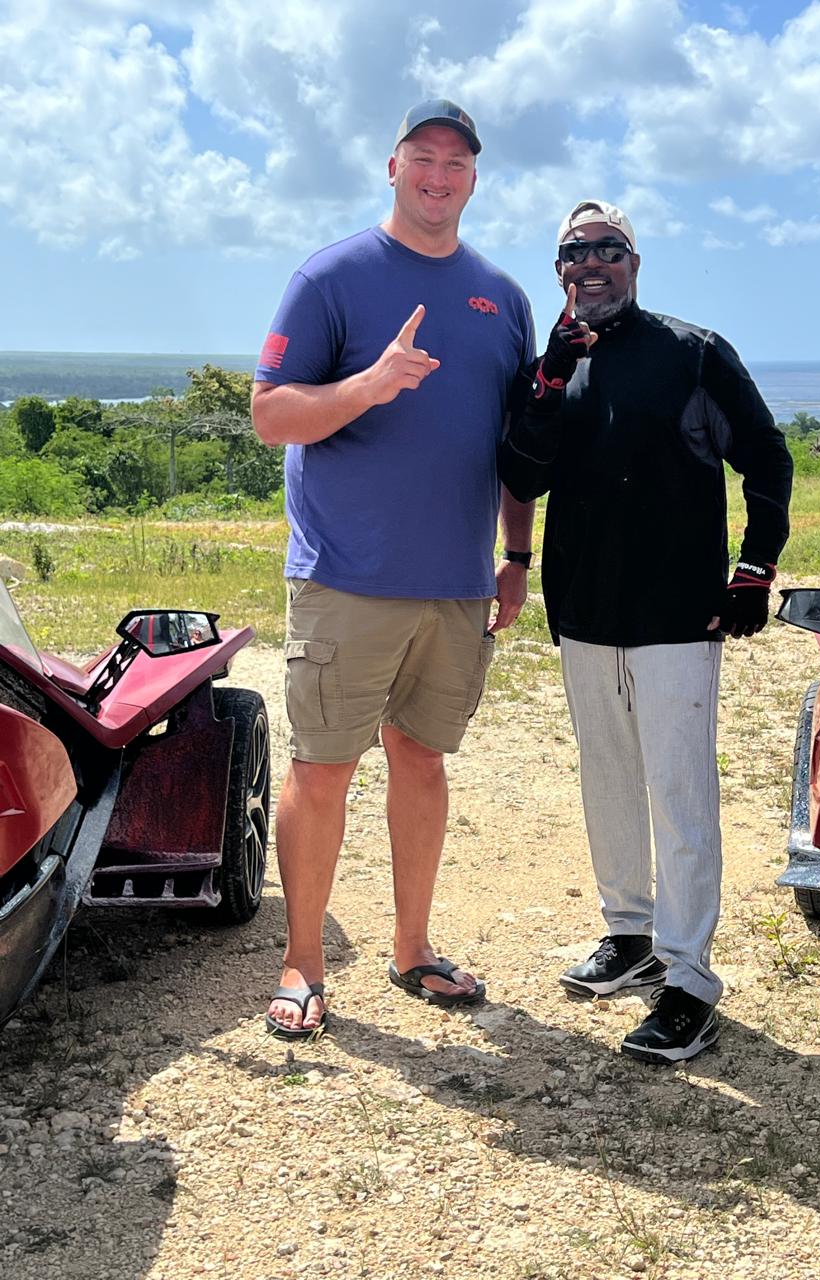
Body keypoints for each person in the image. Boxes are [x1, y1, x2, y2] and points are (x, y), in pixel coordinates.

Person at [252, 101, 536, 1039]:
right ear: (392, 166)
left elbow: (517, 446)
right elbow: (271, 414)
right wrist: (371, 383)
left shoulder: (503, 294)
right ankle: (301, 962)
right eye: (424, 157)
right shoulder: (330, 277)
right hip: (347, 576)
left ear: (473, 180)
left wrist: (515, 555)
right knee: (324, 766)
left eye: (457, 163)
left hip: (455, 583)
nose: (439, 175)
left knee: (422, 760)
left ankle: (412, 950)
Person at [499, 199, 792, 1064]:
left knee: (678, 789)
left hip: (676, 614)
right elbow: (520, 470)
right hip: (585, 611)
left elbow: (766, 457)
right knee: (608, 779)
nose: (590, 263)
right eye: (572, 252)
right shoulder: (552, 366)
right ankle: (630, 934)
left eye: (607, 248)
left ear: (635, 261)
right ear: (559, 271)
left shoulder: (694, 353)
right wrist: (548, 381)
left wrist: (754, 567)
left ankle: (690, 978)